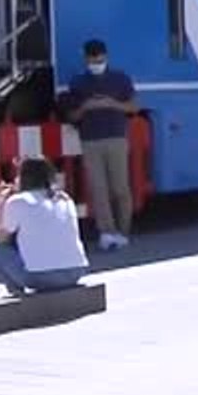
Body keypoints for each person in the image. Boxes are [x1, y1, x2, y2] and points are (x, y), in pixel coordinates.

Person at [67, 39, 137, 251]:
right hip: (90, 139)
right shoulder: (78, 82)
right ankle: (107, 232)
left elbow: (133, 106)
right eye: (92, 59)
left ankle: (124, 231)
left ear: (106, 56)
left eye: (99, 58)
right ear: (86, 59)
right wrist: (86, 107)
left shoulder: (120, 79)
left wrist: (111, 103)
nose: (96, 62)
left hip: (116, 137)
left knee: (120, 187)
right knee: (99, 189)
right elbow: (72, 115)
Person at [0, 157, 89, 296]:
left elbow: (2, 239)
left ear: (23, 178)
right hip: (76, 271)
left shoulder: (17, 201)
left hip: (41, 276)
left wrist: (2, 202)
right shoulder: (64, 198)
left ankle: (16, 292)